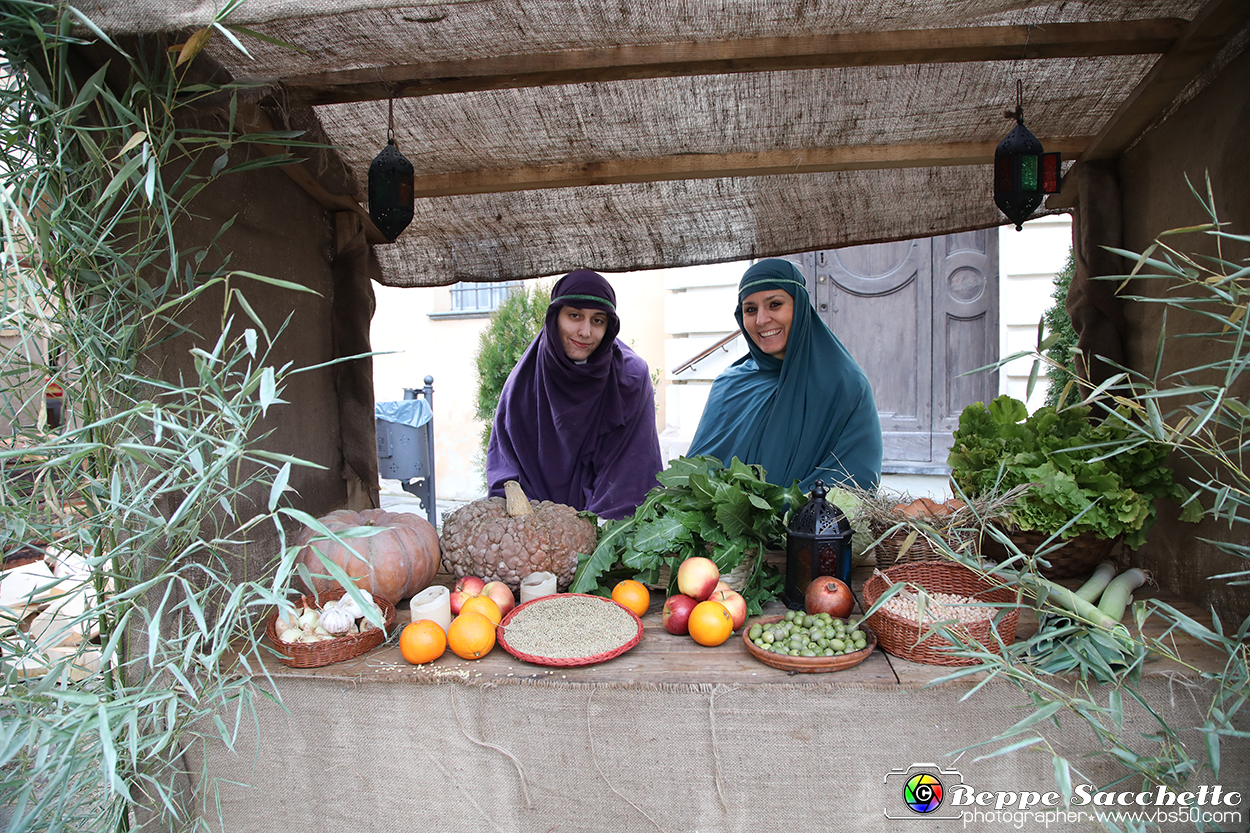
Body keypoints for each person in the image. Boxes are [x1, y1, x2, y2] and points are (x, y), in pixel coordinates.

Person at [687, 258, 883, 492]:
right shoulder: (729, 385)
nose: (761, 320)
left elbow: (853, 480)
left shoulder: (844, 385)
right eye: (750, 309)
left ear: (799, 306)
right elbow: (695, 474)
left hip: (805, 527)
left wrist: (779, 515)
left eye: (775, 304)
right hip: (722, 527)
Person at [486, 269, 662, 519]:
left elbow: (631, 472)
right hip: (536, 527)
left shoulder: (630, 378)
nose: (585, 332)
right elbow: (507, 469)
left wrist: (593, 534)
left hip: (607, 527)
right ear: (554, 318)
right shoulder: (523, 382)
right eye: (575, 315)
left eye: (597, 320)